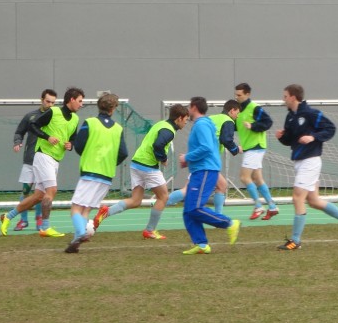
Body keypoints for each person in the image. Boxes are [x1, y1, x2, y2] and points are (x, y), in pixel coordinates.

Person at [274, 83, 338, 250]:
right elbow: (290, 140)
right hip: (299, 161)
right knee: (313, 201)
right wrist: (282, 137)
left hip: (310, 161)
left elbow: (330, 128)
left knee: (297, 198)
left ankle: (295, 241)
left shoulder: (311, 113)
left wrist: (313, 137)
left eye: (285, 96)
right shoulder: (290, 117)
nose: (283, 100)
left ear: (293, 97)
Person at [92, 104, 189, 240]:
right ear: (179, 118)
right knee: (163, 197)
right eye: (186, 119)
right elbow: (158, 145)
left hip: (136, 163)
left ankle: (106, 211)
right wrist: (163, 158)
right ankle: (150, 230)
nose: (186, 122)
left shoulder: (161, 124)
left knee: (135, 200)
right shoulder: (169, 131)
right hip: (147, 166)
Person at [0, 87, 84, 237]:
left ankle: (8, 216)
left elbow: (73, 138)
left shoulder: (75, 119)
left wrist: (70, 145)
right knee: (52, 190)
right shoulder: (54, 112)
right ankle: (45, 227)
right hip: (43, 156)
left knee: (39, 196)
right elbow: (33, 125)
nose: (81, 104)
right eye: (80, 101)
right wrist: (47, 137)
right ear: (71, 100)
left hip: (55, 159)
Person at [65, 93, 128, 253]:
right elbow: (123, 153)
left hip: (90, 172)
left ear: (99, 107)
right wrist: (110, 162)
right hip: (107, 176)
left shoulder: (90, 123)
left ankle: (81, 232)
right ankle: (76, 241)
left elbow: (79, 145)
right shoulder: (118, 128)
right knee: (86, 209)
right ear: (113, 109)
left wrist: (89, 155)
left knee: (76, 208)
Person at [178, 96, 241, 255]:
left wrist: (187, 157)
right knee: (188, 211)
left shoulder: (202, 125)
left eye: (189, 107)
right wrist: (189, 160)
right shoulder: (202, 124)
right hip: (199, 170)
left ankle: (230, 223)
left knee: (195, 208)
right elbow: (205, 147)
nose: (188, 110)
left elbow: (206, 148)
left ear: (194, 107)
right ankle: (201, 244)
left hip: (205, 170)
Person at [11, 89, 56, 231]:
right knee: (26, 190)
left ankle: (39, 219)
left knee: (41, 193)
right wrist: (18, 142)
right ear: (41, 100)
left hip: (45, 160)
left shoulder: (55, 117)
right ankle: (23, 220)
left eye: (53, 103)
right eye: (48, 101)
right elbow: (19, 131)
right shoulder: (30, 116)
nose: (50, 105)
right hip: (30, 159)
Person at [234, 82, 279, 220]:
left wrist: (253, 126)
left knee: (244, 177)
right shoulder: (239, 110)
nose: (236, 97)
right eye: (236, 95)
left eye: (239, 95)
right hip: (250, 147)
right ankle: (272, 207)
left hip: (256, 147)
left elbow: (268, 122)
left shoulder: (254, 108)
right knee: (257, 179)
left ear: (247, 94)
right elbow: (238, 127)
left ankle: (258, 206)